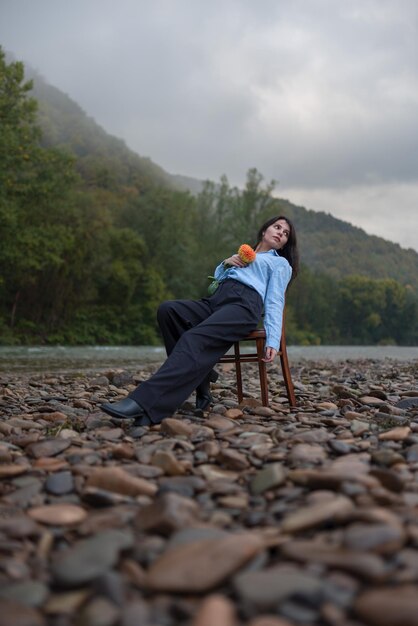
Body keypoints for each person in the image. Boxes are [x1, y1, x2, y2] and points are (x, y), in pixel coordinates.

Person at [101, 215, 299, 426]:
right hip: (216, 301)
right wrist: (225, 264)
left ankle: (145, 402)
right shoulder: (242, 254)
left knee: (193, 338)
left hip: (243, 307)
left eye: (285, 233)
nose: (280, 233)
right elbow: (214, 284)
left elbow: (275, 300)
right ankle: (202, 382)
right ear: (264, 230)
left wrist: (273, 338)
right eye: (277, 227)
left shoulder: (279, 263)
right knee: (169, 311)